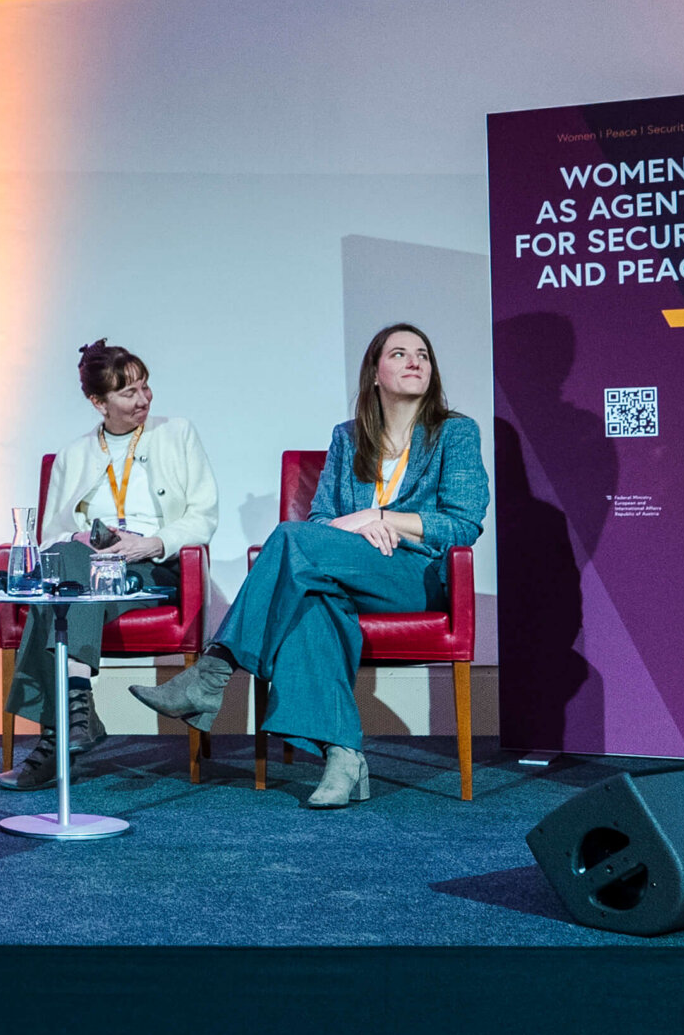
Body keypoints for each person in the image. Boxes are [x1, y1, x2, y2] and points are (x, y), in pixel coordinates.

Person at [135, 323, 485, 809]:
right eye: (400, 353)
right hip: (349, 566)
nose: (415, 362)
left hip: (412, 575)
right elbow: (321, 519)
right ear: (376, 373)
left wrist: (381, 516)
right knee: (313, 605)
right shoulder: (348, 438)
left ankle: (213, 673)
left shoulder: (455, 432)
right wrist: (360, 528)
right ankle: (344, 757)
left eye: (422, 354)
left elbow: (463, 522)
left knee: (286, 537)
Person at [0, 340, 217, 792]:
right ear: (98, 402)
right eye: (128, 393)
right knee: (64, 565)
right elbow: (53, 535)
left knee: (53, 597)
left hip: (151, 569)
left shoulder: (177, 434)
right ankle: (77, 712)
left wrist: (149, 543)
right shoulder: (72, 455)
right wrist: (79, 538)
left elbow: (203, 515)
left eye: (144, 386)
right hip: (88, 568)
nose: (143, 399)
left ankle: (57, 739)